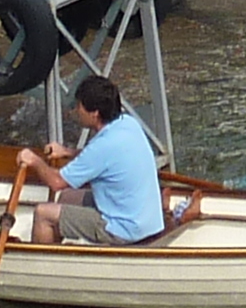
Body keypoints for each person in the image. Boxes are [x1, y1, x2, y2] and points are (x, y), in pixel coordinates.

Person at [12, 73, 176, 246]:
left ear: (94, 113)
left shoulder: (102, 146)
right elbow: (102, 158)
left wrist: (34, 160)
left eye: (79, 107)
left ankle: (43, 266)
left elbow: (56, 182)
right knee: (67, 197)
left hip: (124, 229)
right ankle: (58, 249)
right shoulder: (127, 123)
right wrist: (67, 151)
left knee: (43, 214)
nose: (76, 111)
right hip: (146, 220)